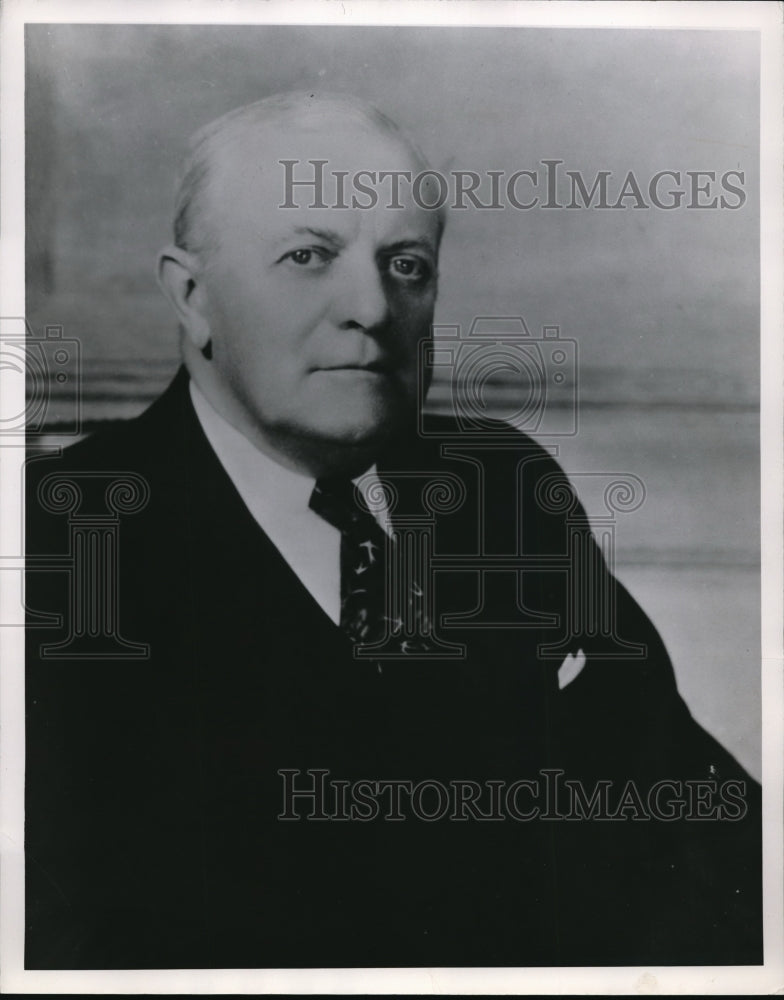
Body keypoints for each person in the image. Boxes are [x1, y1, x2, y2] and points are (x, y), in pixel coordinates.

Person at [25, 92, 761, 970]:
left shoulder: (500, 487)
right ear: (192, 297)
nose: (373, 308)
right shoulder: (55, 541)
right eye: (309, 255)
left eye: (406, 265)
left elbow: (699, 827)